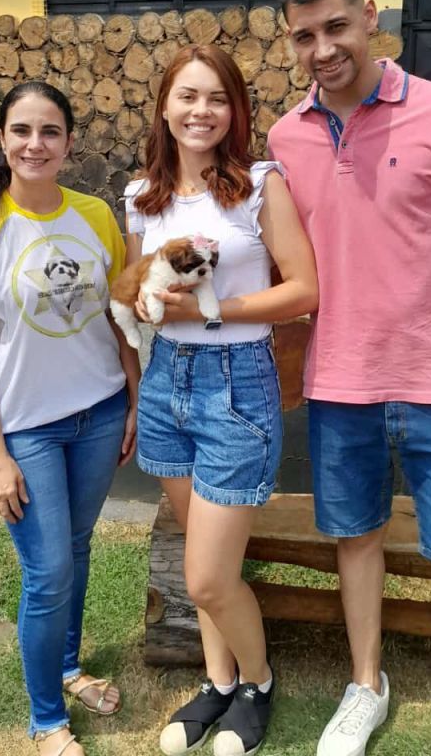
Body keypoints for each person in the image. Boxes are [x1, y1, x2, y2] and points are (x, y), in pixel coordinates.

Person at [268, 0, 431, 756]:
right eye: (304, 36)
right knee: (356, 542)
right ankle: (366, 686)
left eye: (336, 26)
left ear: (370, 15)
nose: (323, 49)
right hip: (341, 384)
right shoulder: (285, 138)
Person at [0, 81, 140, 756]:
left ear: (69, 142)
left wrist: (134, 398)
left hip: (100, 413)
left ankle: (70, 667)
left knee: (75, 549)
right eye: (21, 131)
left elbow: (120, 316)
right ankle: (47, 719)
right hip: (27, 430)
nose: (35, 144)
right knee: (48, 572)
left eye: (50, 131)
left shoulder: (96, 216)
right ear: (1, 139)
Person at [123, 43, 318, 756]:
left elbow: (304, 290)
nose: (201, 111)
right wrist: (145, 332)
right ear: (165, 107)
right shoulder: (141, 198)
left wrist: (207, 313)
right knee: (205, 565)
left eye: (217, 98)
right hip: (166, 384)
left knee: (207, 577)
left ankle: (257, 684)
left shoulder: (260, 185)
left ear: (235, 111)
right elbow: (137, 292)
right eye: (188, 96)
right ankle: (218, 681)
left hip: (237, 386)